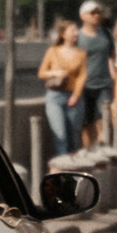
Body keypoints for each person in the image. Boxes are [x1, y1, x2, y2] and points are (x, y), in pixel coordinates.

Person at [37, 14, 89, 154]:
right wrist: (55, 73)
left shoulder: (81, 53)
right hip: (55, 97)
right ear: (63, 34)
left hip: (74, 98)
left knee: (73, 137)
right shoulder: (53, 51)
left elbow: (82, 76)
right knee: (60, 136)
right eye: (72, 30)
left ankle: (71, 169)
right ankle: (63, 170)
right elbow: (42, 72)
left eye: (76, 30)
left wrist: (76, 96)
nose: (76, 33)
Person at [74, 0, 115, 147]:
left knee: (104, 118)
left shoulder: (105, 34)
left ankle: (102, 149)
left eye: (98, 12)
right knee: (86, 122)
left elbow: (112, 56)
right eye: (93, 13)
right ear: (83, 16)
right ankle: (88, 150)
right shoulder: (77, 37)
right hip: (84, 85)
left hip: (103, 83)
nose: (97, 15)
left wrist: (115, 78)